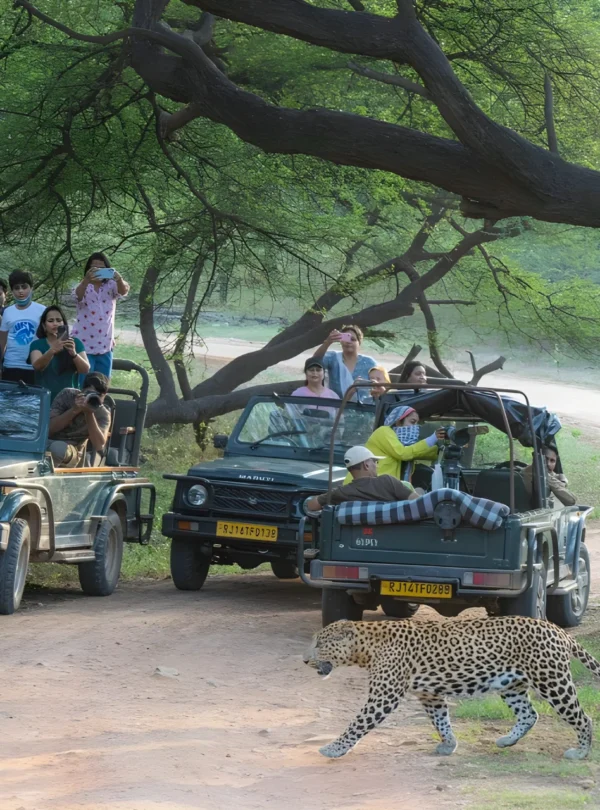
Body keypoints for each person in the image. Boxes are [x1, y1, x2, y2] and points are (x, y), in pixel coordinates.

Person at [71, 252, 130, 380]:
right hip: (83, 345)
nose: (98, 271)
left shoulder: (111, 285)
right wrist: (86, 280)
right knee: (83, 384)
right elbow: (77, 296)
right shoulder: (82, 286)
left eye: (102, 268)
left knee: (102, 384)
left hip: (105, 344)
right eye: (94, 268)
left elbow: (123, 291)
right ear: (88, 269)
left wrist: (118, 278)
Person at [306, 446, 419, 512]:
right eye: (375, 461)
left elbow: (311, 506)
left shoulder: (341, 492)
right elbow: (419, 502)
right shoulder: (387, 481)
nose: (377, 465)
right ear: (366, 465)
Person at [364, 404, 445, 482]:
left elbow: (416, 452)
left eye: (417, 424)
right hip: (373, 488)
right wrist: (433, 438)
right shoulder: (384, 431)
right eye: (412, 422)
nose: (415, 427)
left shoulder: (402, 443)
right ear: (398, 422)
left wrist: (439, 450)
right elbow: (403, 453)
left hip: (387, 488)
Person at [47, 372, 111, 468]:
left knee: (58, 448)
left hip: (73, 450)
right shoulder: (67, 395)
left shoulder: (103, 414)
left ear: (105, 395)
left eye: (99, 395)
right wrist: (74, 410)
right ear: (82, 390)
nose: (94, 398)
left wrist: (89, 413)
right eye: (90, 393)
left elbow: (99, 446)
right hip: (49, 440)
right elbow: (49, 429)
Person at [29, 306, 90, 401]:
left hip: (70, 399)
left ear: (64, 324)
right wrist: (52, 350)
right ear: (44, 325)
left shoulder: (75, 343)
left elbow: (85, 369)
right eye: (50, 321)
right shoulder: (37, 344)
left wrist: (74, 353)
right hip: (44, 398)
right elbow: (37, 366)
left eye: (59, 320)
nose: (55, 324)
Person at [0, 271, 45, 385]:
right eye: (16, 288)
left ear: (31, 288)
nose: (20, 291)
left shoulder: (42, 310)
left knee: (32, 402)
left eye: (24, 287)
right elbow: (2, 341)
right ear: (12, 291)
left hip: (34, 366)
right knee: (10, 401)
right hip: (10, 365)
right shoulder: (7, 312)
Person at [312, 324, 376, 403]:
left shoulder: (369, 362)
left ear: (359, 342)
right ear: (341, 341)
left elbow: (379, 385)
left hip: (362, 409)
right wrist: (327, 342)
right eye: (346, 339)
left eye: (353, 339)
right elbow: (314, 362)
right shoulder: (333, 358)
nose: (349, 342)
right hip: (336, 407)